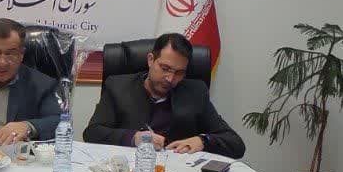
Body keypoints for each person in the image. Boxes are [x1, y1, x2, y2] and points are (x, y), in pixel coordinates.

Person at [83, 33, 245, 159]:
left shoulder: (196, 92)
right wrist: (134, 138)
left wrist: (203, 141)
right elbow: (92, 133)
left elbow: (236, 144)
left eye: (179, 72)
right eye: (165, 68)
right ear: (150, 60)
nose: (170, 78)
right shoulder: (118, 87)